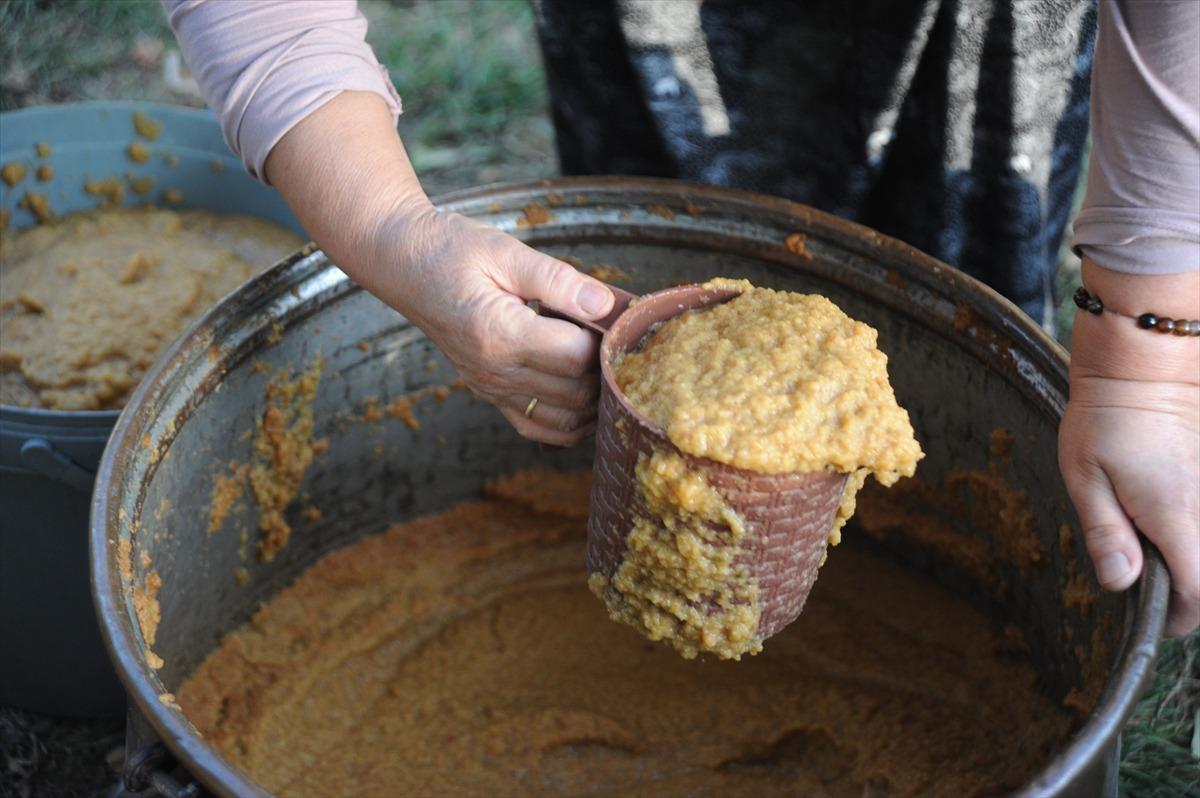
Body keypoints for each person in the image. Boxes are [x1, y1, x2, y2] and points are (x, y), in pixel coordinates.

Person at [163, 0, 1198, 637]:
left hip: (985, 36)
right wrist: (389, 229)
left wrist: (1138, 360)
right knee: (660, 182)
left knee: (960, 273)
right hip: (649, 24)